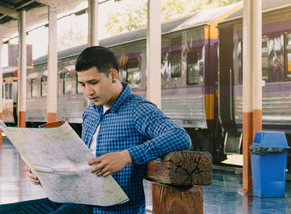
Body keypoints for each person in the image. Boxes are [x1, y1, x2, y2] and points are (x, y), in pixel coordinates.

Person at [0, 46, 192, 213]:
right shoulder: (90, 112)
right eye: (82, 84)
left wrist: (126, 156)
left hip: (108, 209)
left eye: (93, 83)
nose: (88, 92)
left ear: (113, 75)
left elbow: (180, 136)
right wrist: (42, 172)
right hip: (74, 199)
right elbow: (81, 160)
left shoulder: (138, 109)